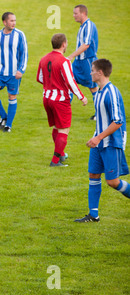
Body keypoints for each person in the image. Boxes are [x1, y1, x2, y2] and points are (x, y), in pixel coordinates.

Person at [75, 59, 129, 222]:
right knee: (93, 174)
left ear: (100, 73)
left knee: (112, 182)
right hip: (99, 141)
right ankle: (93, 215)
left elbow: (118, 120)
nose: (90, 72)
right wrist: (96, 137)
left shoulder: (111, 92)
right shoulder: (98, 91)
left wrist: (98, 137)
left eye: (92, 70)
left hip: (111, 142)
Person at [37, 33, 87, 167]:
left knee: (56, 127)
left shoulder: (43, 59)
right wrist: (82, 97)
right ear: (64, 44)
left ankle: (61, 154)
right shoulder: (64, 61)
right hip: (60, 100)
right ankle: (55, 161)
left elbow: (40, 78)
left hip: (47, 98)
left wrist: (50, 84)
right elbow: (70, 82)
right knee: (64, 129)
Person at [0, 11, 28, 133]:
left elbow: (24, 54)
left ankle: (8, 125)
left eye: (15, 20)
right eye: (11, 21)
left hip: (14, 73)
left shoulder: (20, 35)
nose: (14, 23)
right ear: (5, 22)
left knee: (12, 96)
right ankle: (4, 117)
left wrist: (21, 70)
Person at [67, 4, 99, 120]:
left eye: (76, 13)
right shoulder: (82, 26)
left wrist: (71, 56)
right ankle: (65, 112)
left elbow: (86, 44)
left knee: (93, 88)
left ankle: (99, 114)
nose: (74, 16)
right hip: (78, 61)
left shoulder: (89, 26)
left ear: (83, 13)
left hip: (87, 62)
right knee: (68, 81)